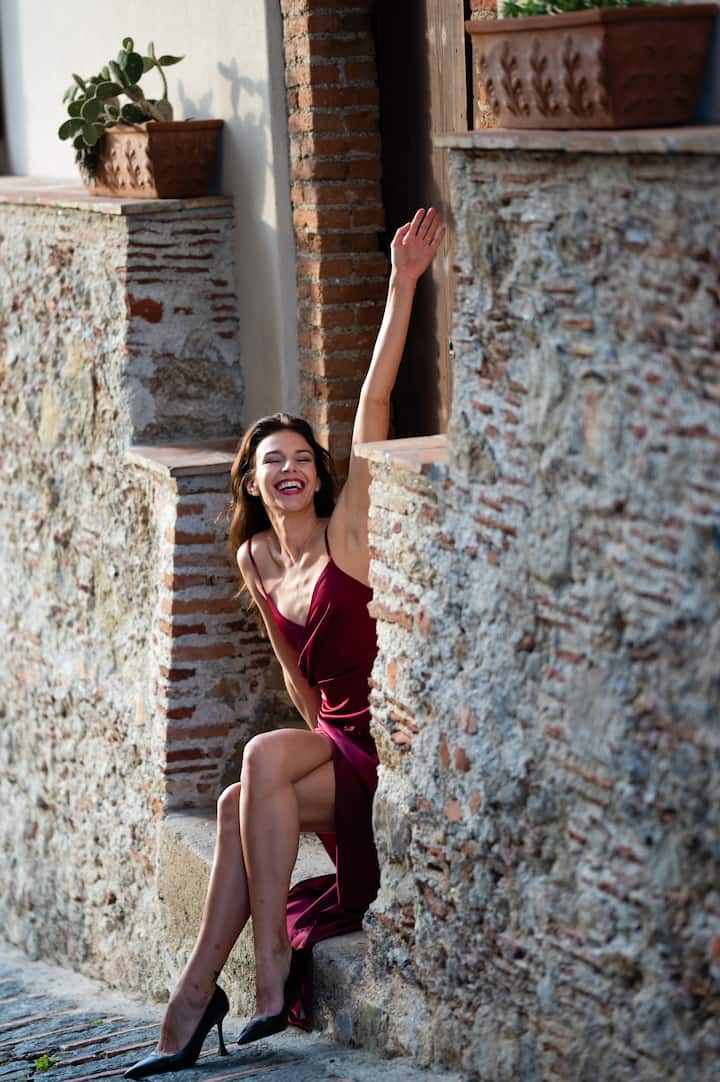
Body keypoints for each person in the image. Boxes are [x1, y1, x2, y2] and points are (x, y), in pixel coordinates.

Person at [124, 207, 445, 1079]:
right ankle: (200, 996)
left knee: (257, 763)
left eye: (301, 455)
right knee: (243, 794)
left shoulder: (348, 534)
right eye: (274, 460)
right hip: (333, 744)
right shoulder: (255, 557)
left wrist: (401, 284)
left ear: (317, 471)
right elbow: (301, 685)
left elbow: (373, 406)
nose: (291, 467)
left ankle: (252, 977)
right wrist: (303, 766)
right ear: (254, 482)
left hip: (381, 746)